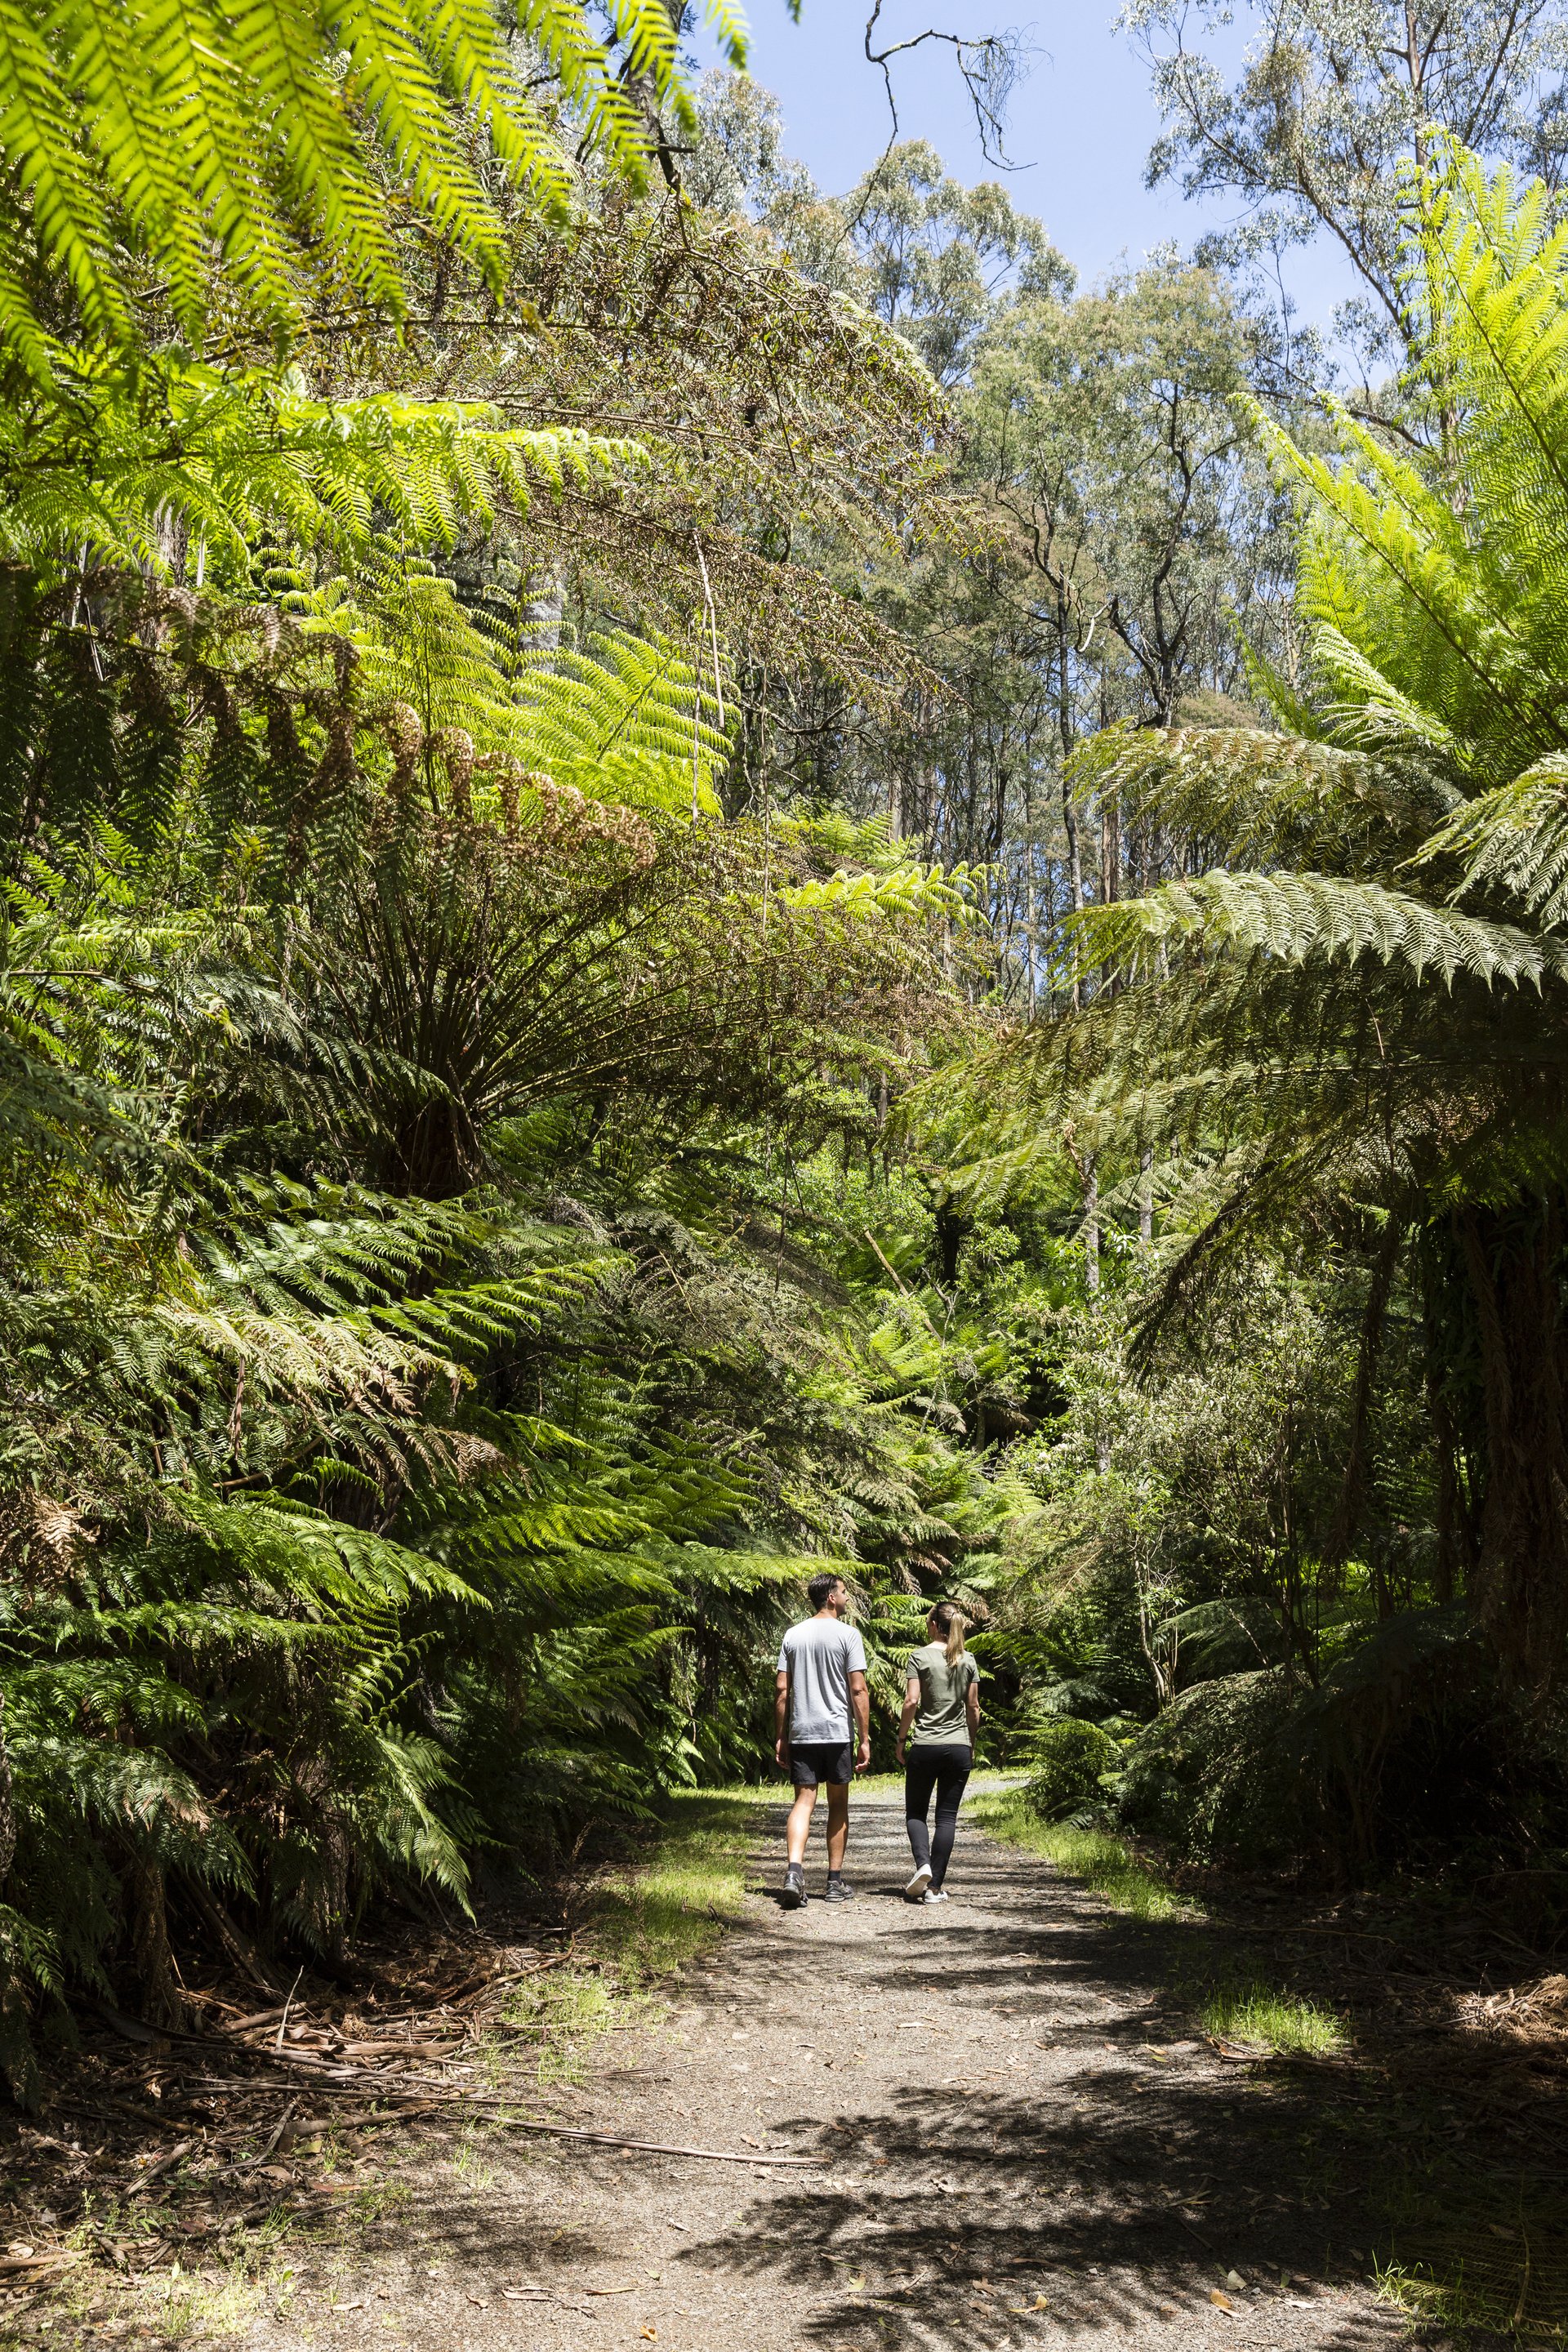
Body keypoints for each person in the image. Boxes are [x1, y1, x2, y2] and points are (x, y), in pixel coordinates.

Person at [774, 1571, 871, 1908]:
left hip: (802, 1732)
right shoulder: (848, 1635)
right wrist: (865, 1737)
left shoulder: (793, 1635)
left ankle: (793, 1874)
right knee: (838, 1805)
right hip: (835, 1733)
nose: (847, 1598)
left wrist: (781, 1736)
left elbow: (782, 1691)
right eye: (844, 1592)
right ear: (831, 1597)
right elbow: (858, 1688)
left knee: (803, 1802)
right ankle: (833, 1883)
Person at [895, 1601, 980, 1902]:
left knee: (916, 1812)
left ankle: (923, 1866)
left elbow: (911, 1702)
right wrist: (970, 1742)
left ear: (933, 1625)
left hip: (926, 1746)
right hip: (958, 1747)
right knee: (947, 1818)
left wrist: (902, 1739)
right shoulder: (968, 1660)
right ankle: (934, 1888)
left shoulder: (918, 1657)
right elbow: (973, 1707)